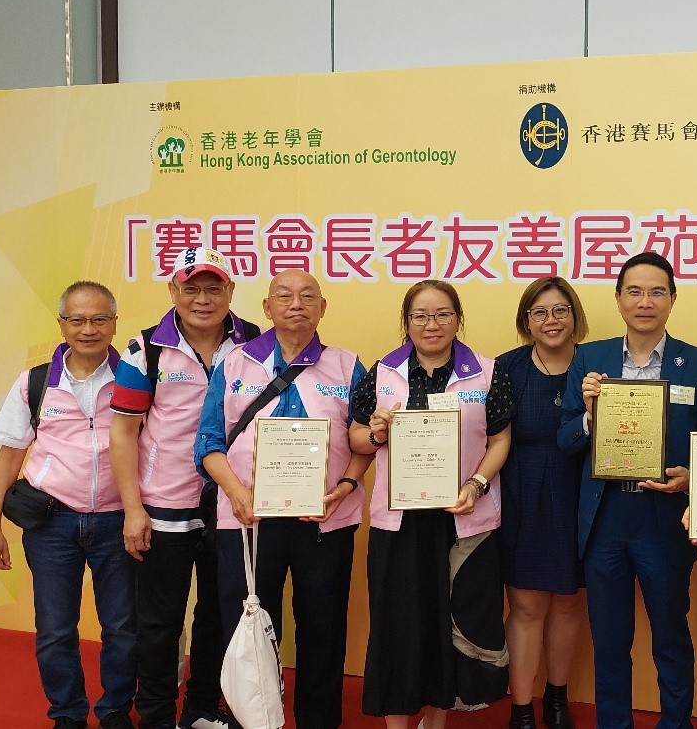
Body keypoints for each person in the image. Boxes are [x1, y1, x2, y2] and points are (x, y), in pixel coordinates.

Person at [194, 269, 370, 729]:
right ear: (267, 307)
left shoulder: (348, 366)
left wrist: (345, 487)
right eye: (285, 296)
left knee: (323, 629)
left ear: (322, 308)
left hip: (325, 521)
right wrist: (237, 494)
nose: (296, 304)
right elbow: (208, 443)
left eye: (307, 296)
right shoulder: (235, 364)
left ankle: (318, 721)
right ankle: (251, 722)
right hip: (247, 522)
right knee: (247, 630)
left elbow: (365, 443)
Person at [349, 279, 514, 729]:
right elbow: (356, 437)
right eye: (420, 316)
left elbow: (500, 439)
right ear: (406, 323)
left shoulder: (487, 371)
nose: (432, 324)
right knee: (398, 626)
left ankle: (437, 722)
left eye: (443, 314)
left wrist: (476, 484)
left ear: (459, 319)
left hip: (461, 518)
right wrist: (375, 432)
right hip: (398, 523)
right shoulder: (383, 372)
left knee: (448, 626)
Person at [109, 247, 260, 729]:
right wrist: (133, 509)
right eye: (191, 288)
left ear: (230, 291)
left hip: (233, 505)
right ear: (173, 291)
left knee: (218, 615)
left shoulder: (255, 343)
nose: (202, 299)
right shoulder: (146, 349)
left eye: (214, 288)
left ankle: (201, 708)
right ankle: (155, 715)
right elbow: (123, 432)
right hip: (164, 506)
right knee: (158, 623)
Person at [557, 251, 697, 729]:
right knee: (609, 641)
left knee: (670, 637)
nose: (646, 302)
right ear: (619, 299)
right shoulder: (590, 359)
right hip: (605, 518)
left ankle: (676, 723)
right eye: (635, 292)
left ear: (672, 299)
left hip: (664, 517)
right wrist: (588, 415)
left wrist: (694, 476)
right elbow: (564, 440)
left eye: (657, 292)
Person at [0, 281, 135, 729]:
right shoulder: (34, 382)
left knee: (123, 628)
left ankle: (115, 711)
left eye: (99, 319)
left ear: (114, 323)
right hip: (52, 524)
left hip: (117, 521)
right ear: (62, 325)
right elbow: (8, 457)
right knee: (54, 629)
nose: (88, 329)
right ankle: (67, 713)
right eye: (77, 320)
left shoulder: (134, 378)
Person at [496, 277, 589, 729]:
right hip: (522, 496)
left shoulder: (596, 365)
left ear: (574, 316)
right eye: (540, 312)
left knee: (569, 602)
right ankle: (521, 708)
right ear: (526, 321)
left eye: (561, 310)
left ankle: (557, 698)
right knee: (527, 607)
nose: (552, 320)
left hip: (582, 496)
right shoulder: (506, 368)